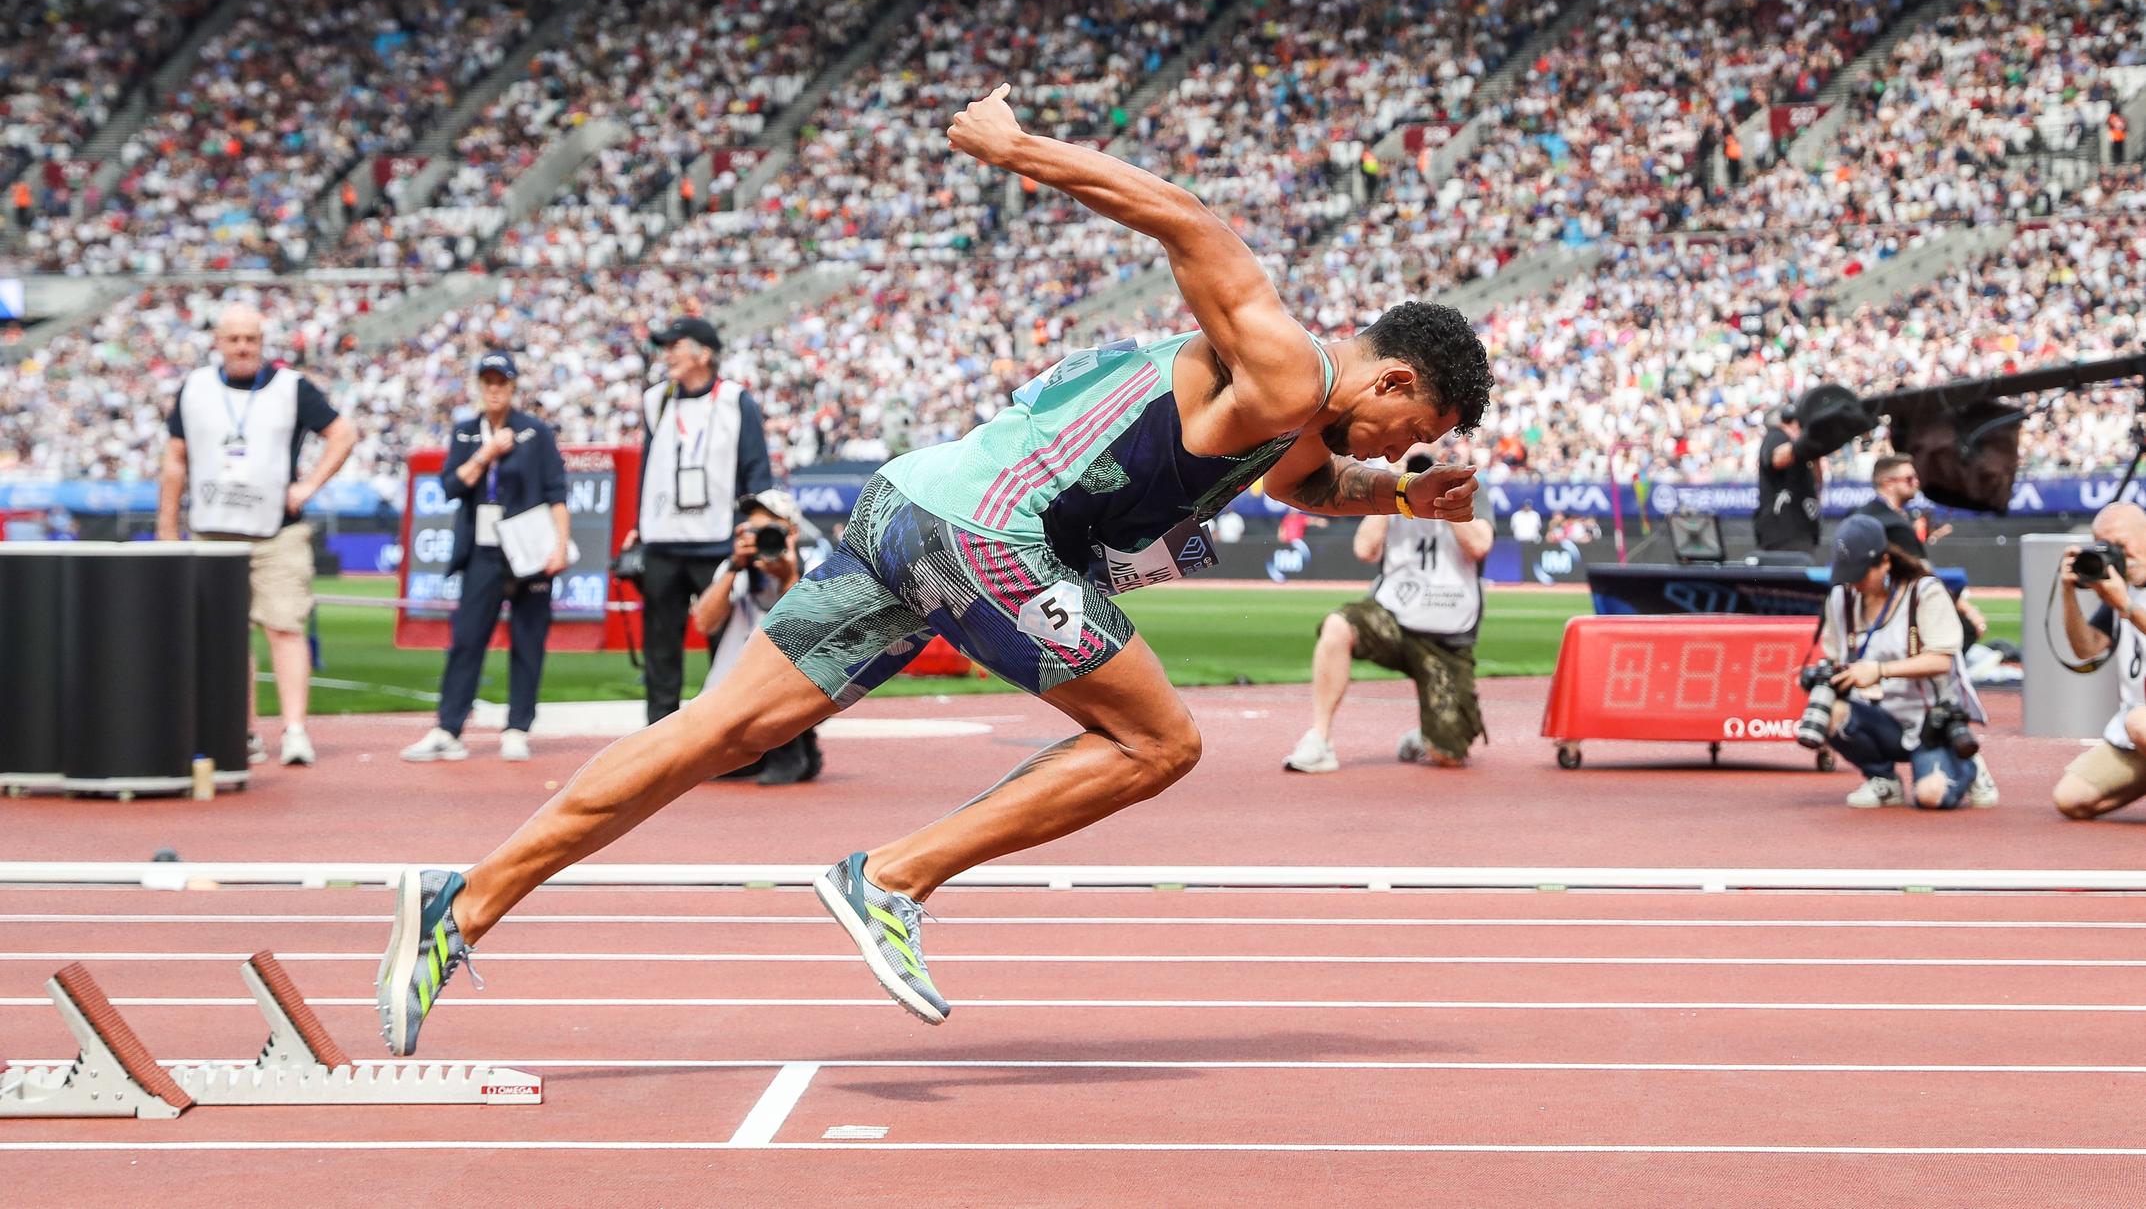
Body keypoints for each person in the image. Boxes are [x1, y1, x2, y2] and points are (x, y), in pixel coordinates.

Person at [377, 83, 1489, 1053]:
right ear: (1390, 382)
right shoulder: (1289, 363)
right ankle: (892, 878)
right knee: (1160, 741)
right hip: (987, 536)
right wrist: (1020, 153)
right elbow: (1189, 223)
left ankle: (461, 905)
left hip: (912, 508)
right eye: (1412, 433)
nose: (1403, 450)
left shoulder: (1286, 409)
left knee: (712, 734)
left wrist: (1398, 494)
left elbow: (1302, 481)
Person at [156, 303, 357, 767]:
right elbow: (175, 459)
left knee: (285, 627)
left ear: (262, 343)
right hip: (211, 534)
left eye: (251, 338)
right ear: (218, 343)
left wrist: (309, 485)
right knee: (225, 637)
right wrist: (167, 528)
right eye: (234, 339)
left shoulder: (292, 387)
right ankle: (239, 731)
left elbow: (343, 433)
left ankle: (294, 731)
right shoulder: (195, 388)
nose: (243, 347)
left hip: (276, 534)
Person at [403, 352, 571, 765]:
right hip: (482, 548)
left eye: (502, 382)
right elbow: (449, 487)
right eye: (488, 382)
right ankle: (448, 728)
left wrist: (560, 546)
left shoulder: (535, 432)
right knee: (466, 640)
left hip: (529, 549)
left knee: (528, 640)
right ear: (479, 386)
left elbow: (556, 492)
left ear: (513, 387)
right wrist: (486, 454)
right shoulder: (465, 433)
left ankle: (517, 727)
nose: (494, 389)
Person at [1285, 445, 1493, 773]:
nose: (1422, 460)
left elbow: (1480, 545)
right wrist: (1398, 492)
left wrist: (1445, 498)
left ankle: (1431, 735)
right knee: (1338, 626)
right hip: (1393, 617)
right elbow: (1364, 550)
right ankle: (1319, 738)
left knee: (1450, 754)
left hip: (1447, 634)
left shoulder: (1468, 489)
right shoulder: (1392, 492)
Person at [622, 315, 774, 727]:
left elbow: (756, 473)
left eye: (676, 344)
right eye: (665, 346)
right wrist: (639, 523)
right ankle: (656, 742)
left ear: (704, 353)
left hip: (716, 542)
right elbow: (651, 465)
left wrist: (753, 530)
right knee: (660, 653)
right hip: (662, 541)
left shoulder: (735, 400)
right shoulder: (657, 399)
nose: (667, 353)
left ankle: (727, 739)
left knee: (726, 651)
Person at [1816, 514, 1994, 811]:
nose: (1854, 583)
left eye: (1861, 574)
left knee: (1931, 797)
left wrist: (1880, 671)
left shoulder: (1924, 593)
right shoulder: (1840, 599)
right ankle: (1883, 780)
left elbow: (1941, 660)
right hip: (1878, 717)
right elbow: (1833, 656)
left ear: (1885, 562)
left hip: (1930, 721)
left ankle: (1969, 766)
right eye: (1847, 574)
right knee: (1827, 711)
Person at [693, 489, 823, 786]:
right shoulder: (736, 568)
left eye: (769, 529)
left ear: (791, 530)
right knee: (706, 762)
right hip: (737, 684)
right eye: (753, 529)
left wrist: (788, 576)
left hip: (793, 682)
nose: (761, 537)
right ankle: (772, 749)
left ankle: (794, 748)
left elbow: (805, 631)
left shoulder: (815, 563)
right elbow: (705, 622)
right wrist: (735, 566)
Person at [2052, 503, 2146, 821]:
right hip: (2140, 734)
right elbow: (2086, 648)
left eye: (2120, 543)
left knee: (2139, 722)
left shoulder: (2125, 597)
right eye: (2103, 545)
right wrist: (2068, 593)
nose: (2115, 553)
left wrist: (2127, 607)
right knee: (2071, 799)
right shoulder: (2123, 587)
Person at [1860, 454, 1985, 643]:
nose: (1916, 483)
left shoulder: (1864, 514)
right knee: (1966, 628)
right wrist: (1966, 609)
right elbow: (1922, 574)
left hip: (1866, 606)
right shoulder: (1894, 524)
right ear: (1888, 483)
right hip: (1894, 607)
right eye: (1909, 479)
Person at [1755, 402, 1823, 556]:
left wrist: (1816, 450)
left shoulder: (1800, 447)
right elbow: (1776, 459)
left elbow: (1817, 482)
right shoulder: (1777, 435)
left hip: (1802, 527)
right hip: (1784, 530)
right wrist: (1806, 440)